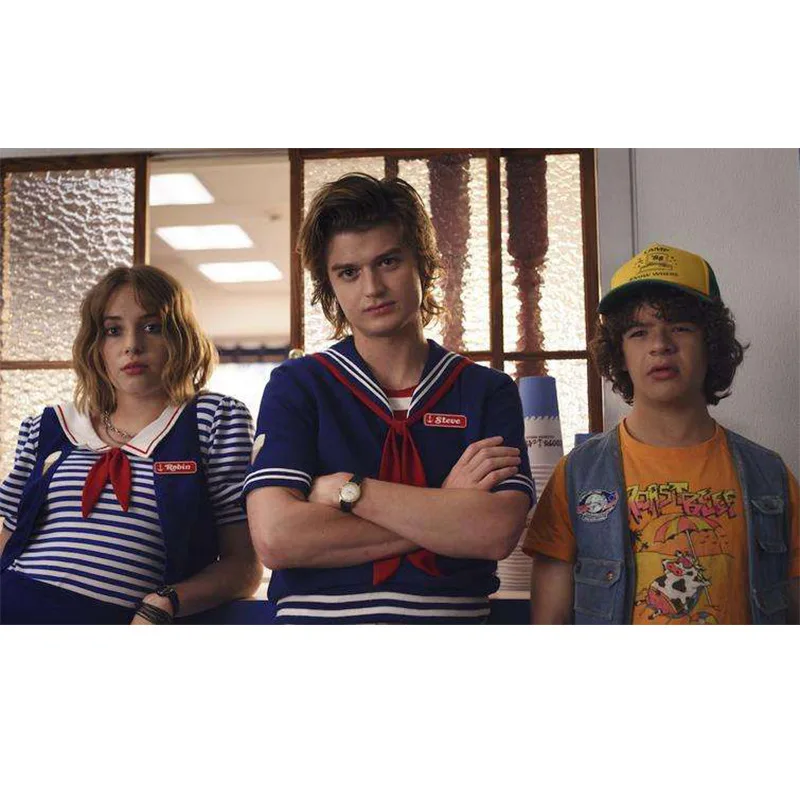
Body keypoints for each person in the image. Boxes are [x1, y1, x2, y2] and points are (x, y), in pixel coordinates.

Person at [244, 173, 535, 623]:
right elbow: (276, 539)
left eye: (389, 261)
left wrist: (348, 491)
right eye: (348, 272)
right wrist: (446, 507)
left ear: (423, 263)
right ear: (329, 285)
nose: (372, 288)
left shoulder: (486, 390)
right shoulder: (298, 385)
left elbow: (494, 532)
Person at [523, 243, 799, 624]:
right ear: (619, 353)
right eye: (639, 332)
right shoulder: (576, 476)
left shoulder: (769, 476)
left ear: (710, 344)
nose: (660, 345)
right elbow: (548, 626)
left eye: (680, 327)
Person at [0, 265, 262, 624]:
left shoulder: (212, 420)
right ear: (96, 346)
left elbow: (243, 568)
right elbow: (8, 540)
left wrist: (165, 603)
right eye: (113, 331)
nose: (132, 346)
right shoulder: (48, 427)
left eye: (152, 327)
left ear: (180, 337)